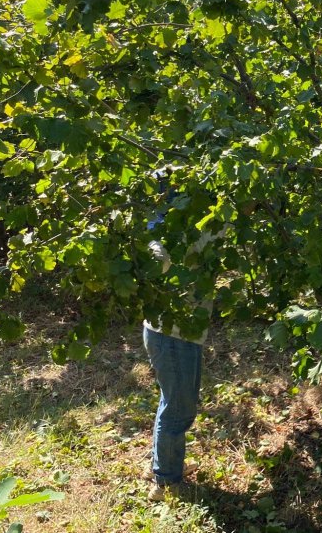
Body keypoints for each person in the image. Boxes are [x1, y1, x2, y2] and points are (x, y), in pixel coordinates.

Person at [142, 176, 219, 502]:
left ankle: (161, 466)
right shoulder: (182, 234)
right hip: (173, 335)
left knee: (171, 403)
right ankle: (166, 483)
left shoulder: (163, 230)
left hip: (174, 332)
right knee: (178, 410)